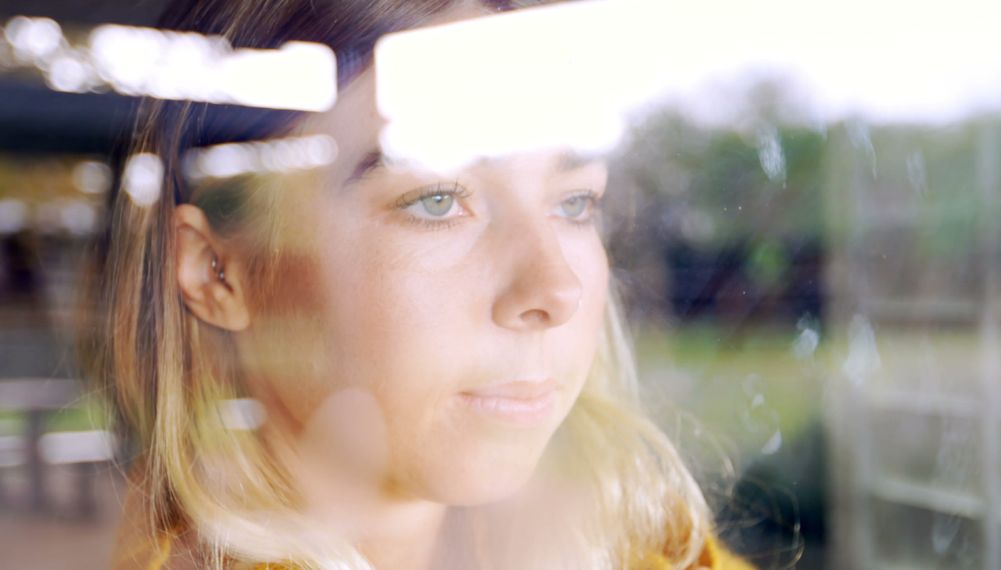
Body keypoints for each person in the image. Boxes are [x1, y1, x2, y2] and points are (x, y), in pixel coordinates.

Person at [79, 0, 754, 568]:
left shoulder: (653, 548)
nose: (555, 289)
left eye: (575, 202)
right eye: (435, 201)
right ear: (216, 272)